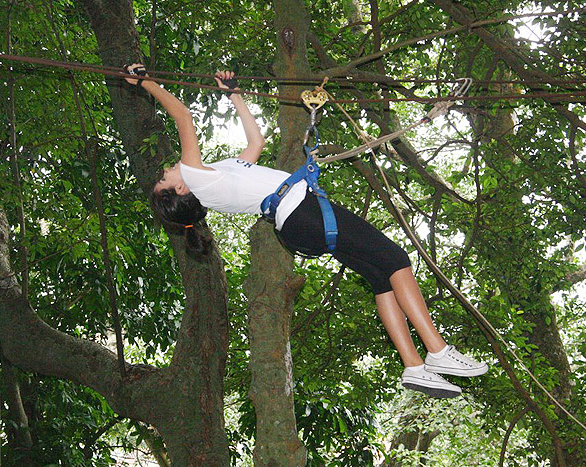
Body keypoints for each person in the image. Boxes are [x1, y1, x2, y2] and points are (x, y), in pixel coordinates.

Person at [124, 64, 488, 398]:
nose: (167, 171)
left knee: (381, 276)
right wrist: (146, 83)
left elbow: (255, 144)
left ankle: (413, 366)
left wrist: (234, 95)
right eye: (164, 180)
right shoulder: (195, 177)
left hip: (300, 221)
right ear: (180, 190)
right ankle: (437, 350)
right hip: (302, 213)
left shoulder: (214, 179)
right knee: (395, 259)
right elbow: (183, 117)